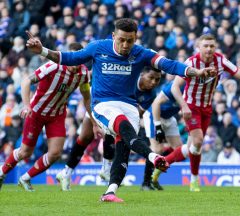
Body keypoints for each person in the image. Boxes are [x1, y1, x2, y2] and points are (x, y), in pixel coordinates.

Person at [24, 18, 215, 202]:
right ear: (113, 35)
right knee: (122, 125)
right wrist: (42, 50)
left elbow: (169, 64)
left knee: (123, 148)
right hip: (103, 104)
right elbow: (69, 58)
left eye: (130, 41)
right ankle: (152, 155)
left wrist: (195, 72)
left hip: (129, 105)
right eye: (121, 40)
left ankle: (110, 191)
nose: (125, 44)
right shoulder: (99, 47)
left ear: (135, 38)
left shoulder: (141, 52)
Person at [169, 34, 240, 191]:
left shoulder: (220, 61)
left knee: (191, 146)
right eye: (206, 46)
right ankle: (194, 180)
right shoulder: (191, 62)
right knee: (198, 142)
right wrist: (183, 106)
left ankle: (161, 162)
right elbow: (174, 87)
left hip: (207, 108)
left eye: (212, 46)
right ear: (199, 47)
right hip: (191, 107)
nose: (209, 49)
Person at [0, 43, 99, 192]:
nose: (74, 64)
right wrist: (27, 106)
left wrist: (93, 121)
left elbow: (86, 98)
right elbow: (26, 81)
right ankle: (2, 173)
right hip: (37, 113)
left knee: (55, 153)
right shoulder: (54, 66)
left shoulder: (84, 74)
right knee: (25, 152)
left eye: (77, 60)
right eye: (72, 59)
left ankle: (25, 178)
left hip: (57, 115)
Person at [56, 67, 162, 191]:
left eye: (157, 80)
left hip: (117, 111)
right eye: (151, 78)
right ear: (142, 74)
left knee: (116, 127)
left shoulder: (151, 94)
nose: (154, 82)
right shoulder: (129, 80)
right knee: (85, 137)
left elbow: (137, 113)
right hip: (100, 99)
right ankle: (66, 173)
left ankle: (105, 169)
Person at [141, 80, 189, 190]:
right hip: (154, 115)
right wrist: (158, 127)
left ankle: (155, 177)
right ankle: (146, 182)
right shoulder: (177, 85)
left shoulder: (195, 90)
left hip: (169, 118)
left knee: (179, 149)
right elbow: (156, 103)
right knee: (157, 150)